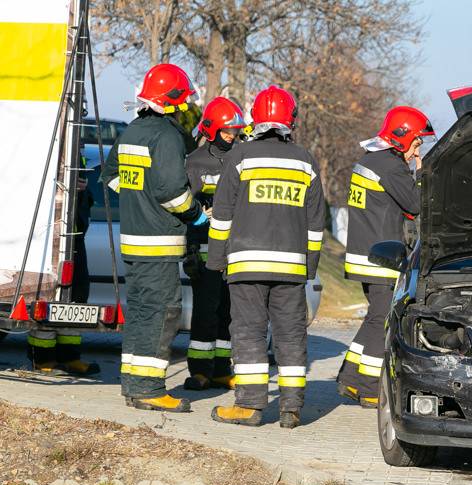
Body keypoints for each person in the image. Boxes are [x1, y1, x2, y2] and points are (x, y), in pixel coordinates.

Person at [207, 86, 325, 429]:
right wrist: (309, 267)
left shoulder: (240, 157)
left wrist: (216, 261)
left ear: (255, 119)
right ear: (290, 120)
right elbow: (316, 223)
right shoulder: (305, 161)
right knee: (291, 334)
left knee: (248, 332)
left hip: (246, 266)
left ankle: (249, 406)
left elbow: (222, 216)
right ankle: (291, 407)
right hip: (291, 267)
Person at [100, 63, 207, 413]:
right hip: (159, 242)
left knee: (141, 314)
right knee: (162, 313)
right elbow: (172, 192)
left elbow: (110, 176)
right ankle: (148, 389)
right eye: (185, 100)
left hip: (133, 241)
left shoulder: (132, 131)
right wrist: (197, 215)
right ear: (173, 100)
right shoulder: (167, 137)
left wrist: (138, 197)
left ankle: (133, 384)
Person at [336, 106, 434, 408]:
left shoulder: (370, 160)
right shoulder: (391, 167)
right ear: (402, 136)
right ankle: (369, 389)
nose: (416, 151)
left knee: (373, 318)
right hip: (382, 258)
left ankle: (350, 378)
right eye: (416, 143)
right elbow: (415, 205)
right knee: (382, 321)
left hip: (364, 254)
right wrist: (419, 174)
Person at [182, 96, 245, 391]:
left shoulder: (242, 157)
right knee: (205, 311)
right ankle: (199, 371)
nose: (232, 136)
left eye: (235, 130)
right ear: (212, 128)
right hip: (205, 249)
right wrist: (192, 245)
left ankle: (221, 369)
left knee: (228, 312)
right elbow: (184, 202)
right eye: (227, 130)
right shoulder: (194, 161)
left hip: (234, 250)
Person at [27, 149, 100, 376]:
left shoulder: (74, 147)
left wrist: (83, 188)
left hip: (75, 238)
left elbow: (86, 197)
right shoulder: (46, 146)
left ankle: (70, 357)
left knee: (76, 297)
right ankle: (43, 359)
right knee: (48, 296)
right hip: (50, 238)